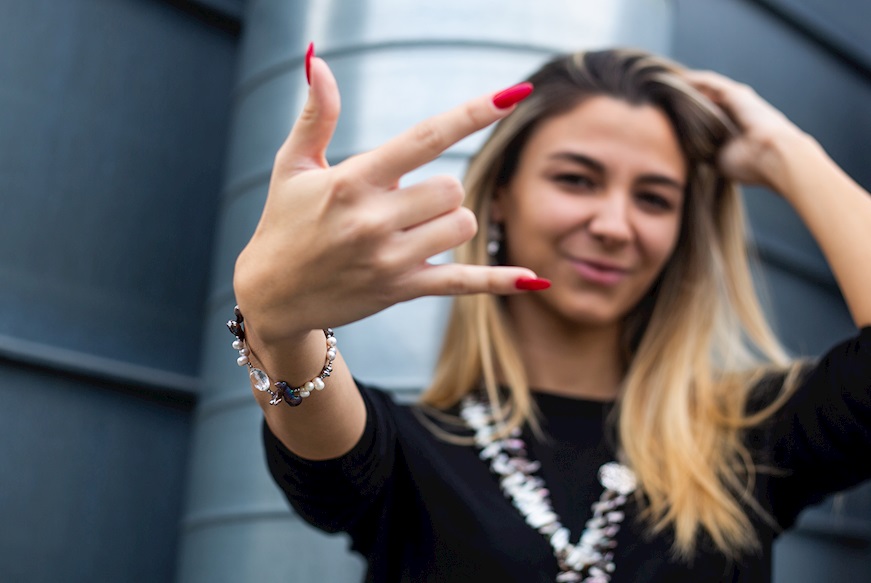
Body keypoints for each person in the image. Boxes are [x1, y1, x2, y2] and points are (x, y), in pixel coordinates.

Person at [227, 45, 871, 582]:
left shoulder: (751, 439)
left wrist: (791, 154)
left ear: (682, 229)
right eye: (576, 179)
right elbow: (313, 412)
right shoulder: (406, 454)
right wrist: (276, 324)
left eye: (654, 197)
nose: (615, 225)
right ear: (501, 196)